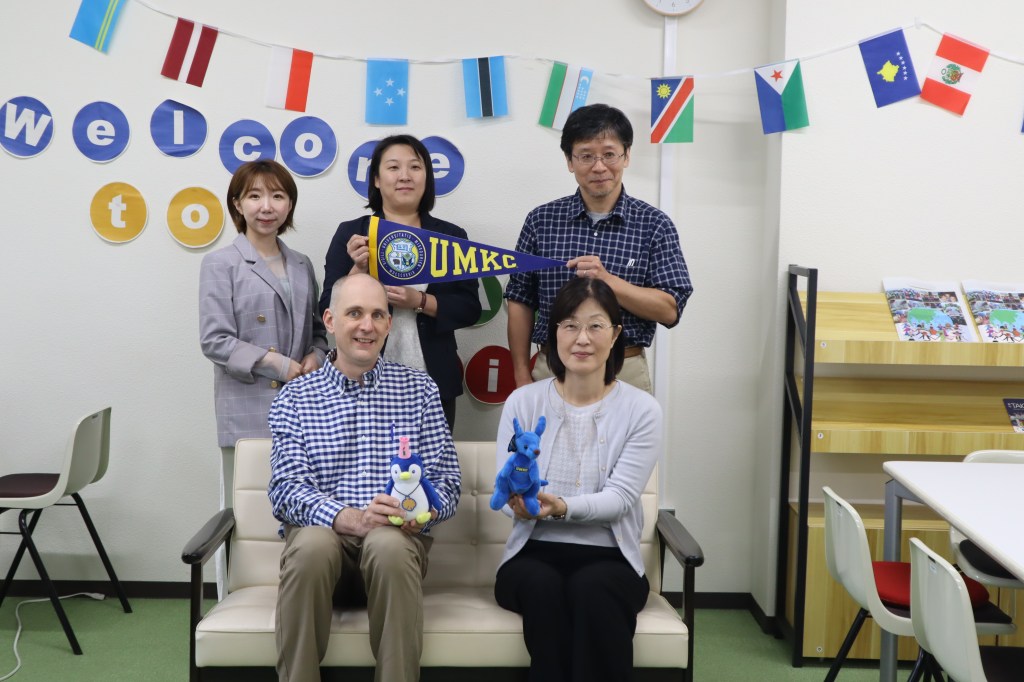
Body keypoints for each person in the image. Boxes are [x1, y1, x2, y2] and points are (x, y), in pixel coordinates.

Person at [269, 273, 462, 682]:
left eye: (378, 315)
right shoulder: (295, 397)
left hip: (394, 554)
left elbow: (448, 482)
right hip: (322, 557)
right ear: (330, 320)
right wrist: (349, 517)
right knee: (312, 544)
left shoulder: (420, 391)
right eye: (354, 313)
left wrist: (424, 513)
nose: (367, 325)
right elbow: (285, 490)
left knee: (388, 543)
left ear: (389, 325)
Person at [494, 277, 661, 682]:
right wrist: (519, 503)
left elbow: (621, 497)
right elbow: (508, 480)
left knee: (594, 589)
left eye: (595, 325)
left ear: (616, 334)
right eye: (569, 325)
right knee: (543, 588)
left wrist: (565, 507)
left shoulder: (642, 409)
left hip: (611, 558)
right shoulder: (524, 401)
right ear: (553, 334)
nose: (581, 338)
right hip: (531, 552)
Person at [199, 159, 328, 595]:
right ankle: (231, 601)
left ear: (289, 204)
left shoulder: (302, 263)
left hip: (301, 411)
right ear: (238, 204)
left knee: (299, 508)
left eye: (277, 195)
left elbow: (317, 330)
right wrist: (280, 365)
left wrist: (316, 355)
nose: (266, 206)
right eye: (254, 196)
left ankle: (298, 598)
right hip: (248, 409)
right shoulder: (221, 263)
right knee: (244, 514)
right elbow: (214, 340)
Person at [504, 103, 693, 394]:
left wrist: (609, 282)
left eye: (609, 154)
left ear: (627, 155)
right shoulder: (541, 220)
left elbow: (670, 310)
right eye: (586, 156)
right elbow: (519, 300)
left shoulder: (654, 224)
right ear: (570, 160)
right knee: (544, 441)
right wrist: (520, 374)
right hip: (551, 368)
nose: (599, 166)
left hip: (624, 370)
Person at [320, 134, 481, 432]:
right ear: (377, 179)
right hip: (362, 378)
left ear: (427, 178)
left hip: (434, 381)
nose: (404, 176)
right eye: (393, 167)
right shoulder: (352, 233)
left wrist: (419, 302)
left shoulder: (451, 236)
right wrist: (358, 268)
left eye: (415, 167)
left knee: (431, 472)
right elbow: (328, 306)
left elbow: (470, 308)